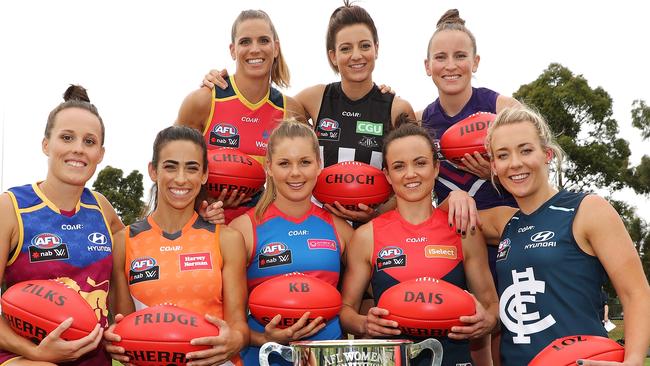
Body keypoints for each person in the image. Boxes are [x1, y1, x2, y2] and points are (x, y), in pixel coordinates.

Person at [203, 1, 416, 224]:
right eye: (345, 48)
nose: (356, 55)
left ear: (376, 49)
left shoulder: (396, 108)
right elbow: (262, 107)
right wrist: (219, 82)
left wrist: (377, 215)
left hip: (374, 232)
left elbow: (416, 178)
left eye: (364, 46)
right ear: (333, 56)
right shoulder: (313, 99)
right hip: (321, 231)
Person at [471, 105, 650, 365]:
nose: (515, 163)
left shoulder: (588, 209)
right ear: (494, 167)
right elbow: (436, 216)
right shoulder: (504, 222)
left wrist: (632, 362)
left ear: (547, 154)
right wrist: (458, 197)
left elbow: (637, 293)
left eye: (526, 150)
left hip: (580, 359)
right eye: (503, 155)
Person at [339, 120, 499, 366]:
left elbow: (491, 306)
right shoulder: (367, 236)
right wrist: (364, 322)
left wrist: (486, 322)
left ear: (436, 168)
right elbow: (346, 309)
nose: (411, 174)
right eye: (399, 166)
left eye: (420, 163)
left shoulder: (463, 229)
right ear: (387, 175)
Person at [104, 126, 249, 366]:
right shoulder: (124, 241)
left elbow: (239, 327)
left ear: (204, 175)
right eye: (170, 167)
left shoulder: (227, 239)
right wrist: (114, 339)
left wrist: (233, 340)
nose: (181, 178)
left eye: (192, 168)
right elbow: (123, 328)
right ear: (153, 171)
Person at [0, 85, 123, 365]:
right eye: (67, 138)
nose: (78, 149)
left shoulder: (102, 208)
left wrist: (208, 215)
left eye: (89, 141)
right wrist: (37, 352)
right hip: (25, 357)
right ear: (46, 144)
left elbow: (145, 246)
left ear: (100, 153)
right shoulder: (11, 208)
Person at [229, 120, 353, 365]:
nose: (295, 173)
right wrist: (263, 337)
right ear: (269, 167)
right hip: (263, 358)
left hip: (327, 358)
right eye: (284, 163)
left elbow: (363, 298)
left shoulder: (340, 229)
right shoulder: (243, 229)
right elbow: (229, 318)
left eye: (305, 162)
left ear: (319, 165)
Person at [176, 9, 305, 224]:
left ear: (276, 48)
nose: (255, 49)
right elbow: (169, 168)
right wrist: (203, 203)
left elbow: (305, 173)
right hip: (205, 228)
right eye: (245, 42)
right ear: (233, 50)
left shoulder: (289, 110)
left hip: (263, 231)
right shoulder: (204, 101)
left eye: (263, 40)